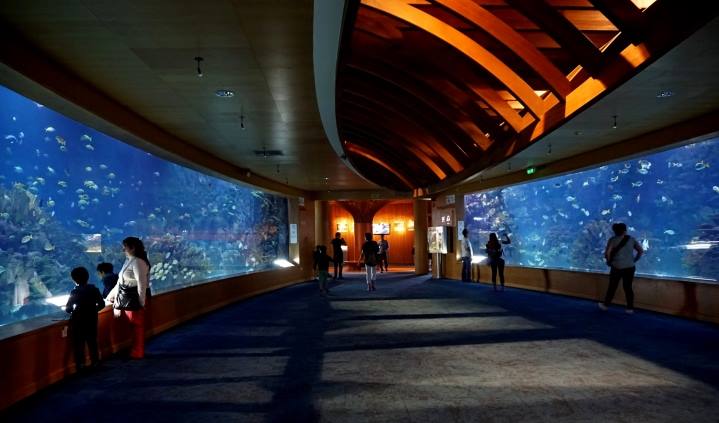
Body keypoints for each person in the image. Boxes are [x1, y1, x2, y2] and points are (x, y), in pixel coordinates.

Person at [106, 237, 151, 359]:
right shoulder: (129, 260)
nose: (123, 249)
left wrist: (141, 302)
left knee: (136, 325)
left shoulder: (138, 262)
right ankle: (135, 350)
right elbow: (120, 282)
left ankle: (138, 351)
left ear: (133, 248)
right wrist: (110, 296)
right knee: (133, 325)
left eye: (125, 247)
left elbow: (141, 283)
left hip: (134, 298)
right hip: (128, 298)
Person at [65, 267, 105, 371]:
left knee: (79, 344)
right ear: (87, 277)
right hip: (92, 319)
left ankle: (81, 365)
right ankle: (95, 363)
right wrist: (93, 310)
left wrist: (74, 311)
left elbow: (68, 308)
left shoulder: (75, 291)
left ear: (74, 279)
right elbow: (102, 304)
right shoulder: (94, 289)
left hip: (78, 321)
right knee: (92, 342)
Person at [599, 222, 644, 314]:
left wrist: (609, 261)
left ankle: (605, 305)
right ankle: (630, 308)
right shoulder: (631, 239)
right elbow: (640, 250)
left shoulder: (612, 240)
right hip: (630, 267)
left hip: (616, 267)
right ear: (625, 230)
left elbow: (607, 253)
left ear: (614, 231)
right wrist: (634, 260)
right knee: (628, 288)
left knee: (612, 287)